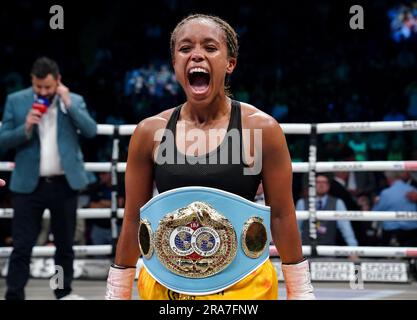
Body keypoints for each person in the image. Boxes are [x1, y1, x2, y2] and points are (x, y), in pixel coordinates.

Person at [105, 14, 315, 300]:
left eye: (210, 47)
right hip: (166, 288)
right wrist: (116, 292)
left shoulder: (261, 129)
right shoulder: (149, 132)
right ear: (175, 64)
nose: (197, 56)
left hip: (244, 288)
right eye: (185, 48)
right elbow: (133, 219)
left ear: (230, 63)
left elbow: (281, 214)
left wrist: (301, 292)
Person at [0, 57, 97, 300]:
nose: (43, 91)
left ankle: (63, 293)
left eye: (48, 87)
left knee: (64, 246)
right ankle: (14, 295)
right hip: (28, 186)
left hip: (64, 184)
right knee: (22, 246)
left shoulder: (72, 101)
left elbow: (91, 131)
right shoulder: (17, 101)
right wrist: (25, 127)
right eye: (38, 87)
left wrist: (68, 102)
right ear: (32, 81)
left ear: (58, 81)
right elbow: (2, 141)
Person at [296, 174, 359, 247]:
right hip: (306, 250)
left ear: (329, 186)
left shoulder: (338, 203)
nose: (321, 185)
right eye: (318, 182)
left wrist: (353, 249)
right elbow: (297, 229)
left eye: (324, 182)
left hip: (329, 252)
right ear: (313, 185)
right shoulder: (302, 203)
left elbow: (346, 228)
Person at [373, 171, 417, 247]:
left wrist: (376, 203)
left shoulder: (386, 193)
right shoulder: (413, 190)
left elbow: (375, 212)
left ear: (388, 179)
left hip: (392, 232)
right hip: (412, 231)